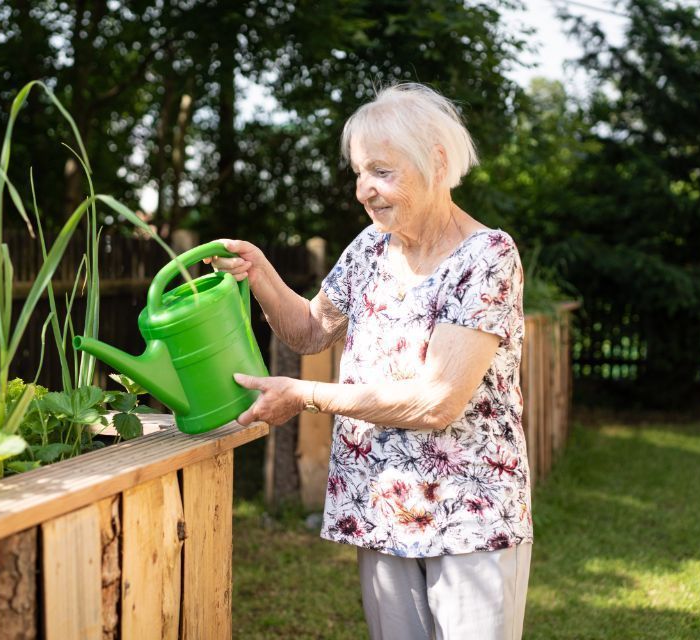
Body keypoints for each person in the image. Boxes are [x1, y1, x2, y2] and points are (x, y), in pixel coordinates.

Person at [206, 83, 531, 640]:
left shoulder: (487, 256)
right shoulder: (369, 248)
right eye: (359, 173)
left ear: (437, 162)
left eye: (381, 171)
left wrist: (305, 395)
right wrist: (260, 271)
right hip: (379, 500)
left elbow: (438, 402)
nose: (363, 191)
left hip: (470, 511)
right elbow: (310, 331)